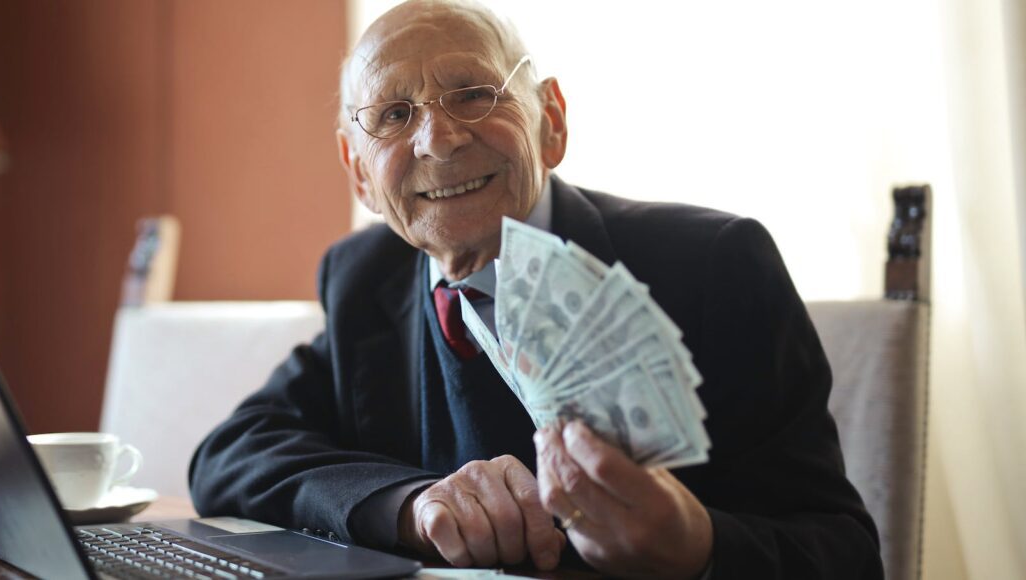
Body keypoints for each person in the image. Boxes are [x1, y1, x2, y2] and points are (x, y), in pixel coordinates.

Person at [189, 1, 883, 577]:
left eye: (474, 93)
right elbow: (233, 451)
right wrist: (411, 505)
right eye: (394, 114)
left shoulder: (715, 266)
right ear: (358, 171)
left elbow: (846, 553)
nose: (439, 138)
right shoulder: (365, 277)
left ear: (551, 120)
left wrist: (696, 546)